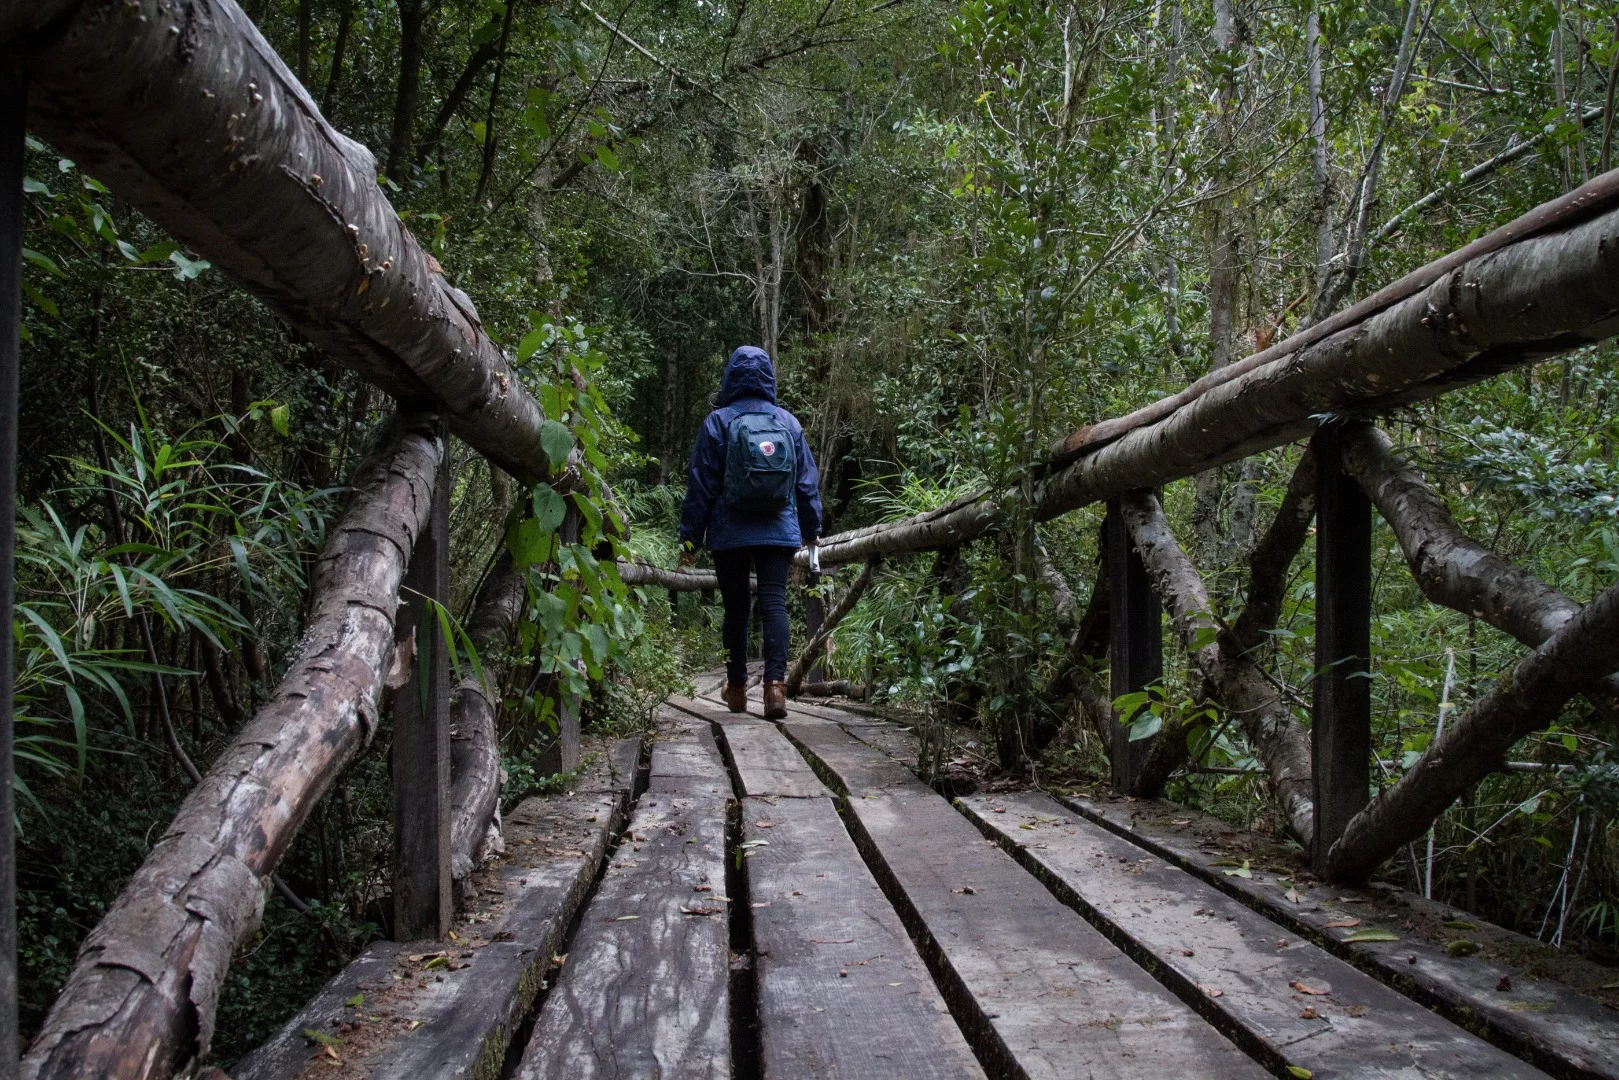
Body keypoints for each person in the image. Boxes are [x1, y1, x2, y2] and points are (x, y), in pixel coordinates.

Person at [679, 346, 822, 719]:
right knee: (774, 602)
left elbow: (701, 486)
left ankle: (738, 689)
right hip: (778, 528)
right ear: (768, 378)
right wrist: (812, 530)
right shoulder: (788, 423)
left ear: (729, 378)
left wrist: (690, 540)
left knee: (736, 608)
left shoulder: (718, 421)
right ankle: (775, 688)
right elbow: (806, 483)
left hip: (730, 531)